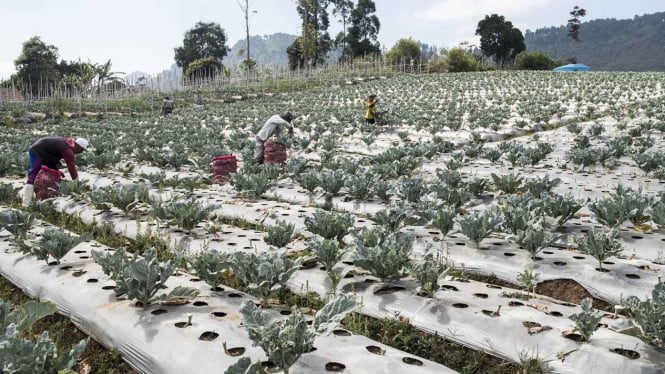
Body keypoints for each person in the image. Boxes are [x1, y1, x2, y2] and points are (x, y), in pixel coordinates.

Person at [22, 137, 89, 205]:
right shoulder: (67, 149)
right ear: (79, 147)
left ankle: (45, 197)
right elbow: (71, 168)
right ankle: (26, 202)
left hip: (45, 154)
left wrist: (56, 161)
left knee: (53, 175)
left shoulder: (67, 143)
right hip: (37, 151)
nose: (81, 152)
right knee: (33, 173)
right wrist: (76, 182)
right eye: (82, 150)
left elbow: (52, 149)